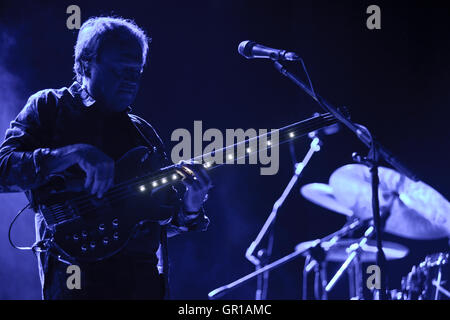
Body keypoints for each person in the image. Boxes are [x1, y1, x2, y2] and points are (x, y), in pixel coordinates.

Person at [0, 16, 212, 299]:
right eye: (118, 70)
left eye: (136, 72)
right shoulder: (49, 107)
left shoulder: (143, 133)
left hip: (144, 285)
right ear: (85, 64)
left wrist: (191, 207)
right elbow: (4, 170)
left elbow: (159, 219)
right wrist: (72, 154)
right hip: (76, 282)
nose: (129, 81)